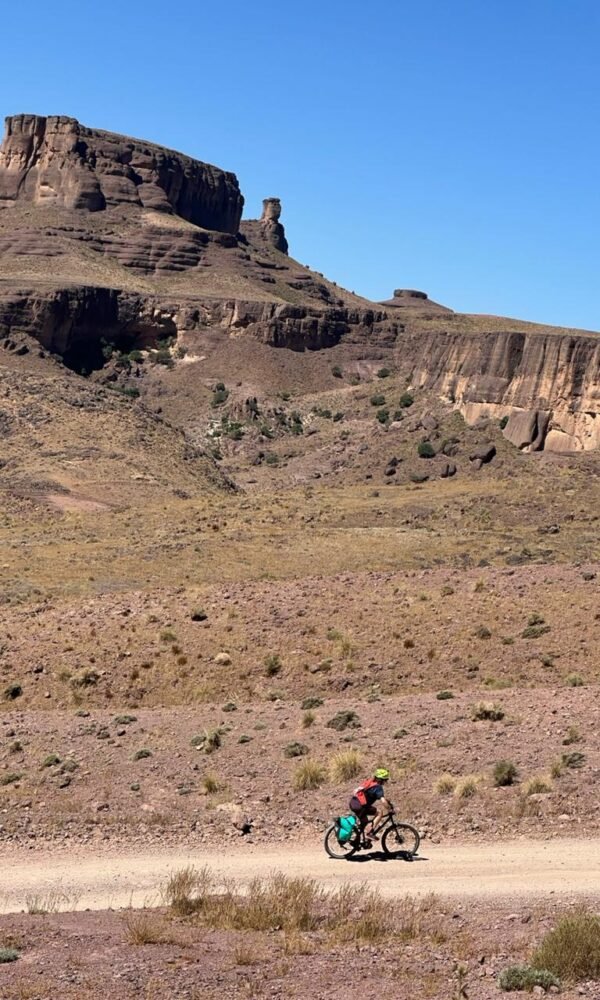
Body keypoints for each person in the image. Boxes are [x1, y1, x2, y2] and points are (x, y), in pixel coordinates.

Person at [349, 768, 391, 845]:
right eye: (385, 780)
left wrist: (387, 802)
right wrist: (389, 808)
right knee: (379, 813)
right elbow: (382, 800)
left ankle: (356, 841)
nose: (385, 782)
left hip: (353, 803)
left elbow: (380, 797)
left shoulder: (370, 782)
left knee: (364, 822)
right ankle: (369, 833)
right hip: (360, 806)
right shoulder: (378, 787)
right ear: (381, 779)